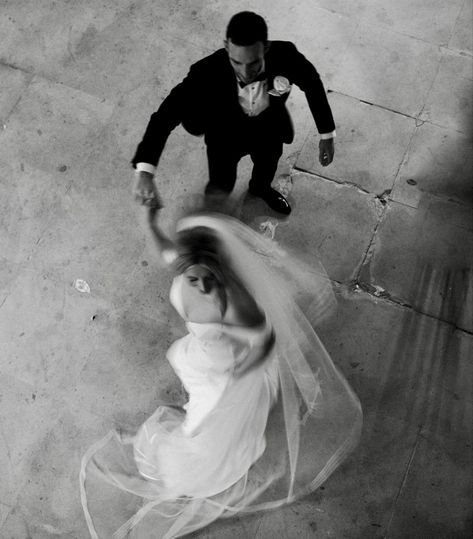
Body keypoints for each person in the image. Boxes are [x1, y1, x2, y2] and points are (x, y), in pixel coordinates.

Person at [80, 207, 361, 539]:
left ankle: (181, 479)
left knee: (206, 423)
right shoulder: (187, 264)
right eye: (192, 273)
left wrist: (241, 377)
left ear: (220, 265)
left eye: (208, 275)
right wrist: (149, 220)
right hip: (202, 355)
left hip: (225, 367)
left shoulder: (235, 298)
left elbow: (264, 341)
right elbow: (165, 251)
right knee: (199, 402)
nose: (198, 283)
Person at [132, 11, 336, 216]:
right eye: (237, 62)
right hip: (225, 137)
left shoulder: (285, 55)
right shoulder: (206, 71)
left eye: (254, 63)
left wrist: (326, 134)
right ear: (227, 47)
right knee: (220, 185)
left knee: (266, 168)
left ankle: (260, 189)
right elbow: (164, 116)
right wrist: (145, 171)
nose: (246, 74)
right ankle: (215, 213)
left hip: (269, 131)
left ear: (265, 47)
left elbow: (312, 84)